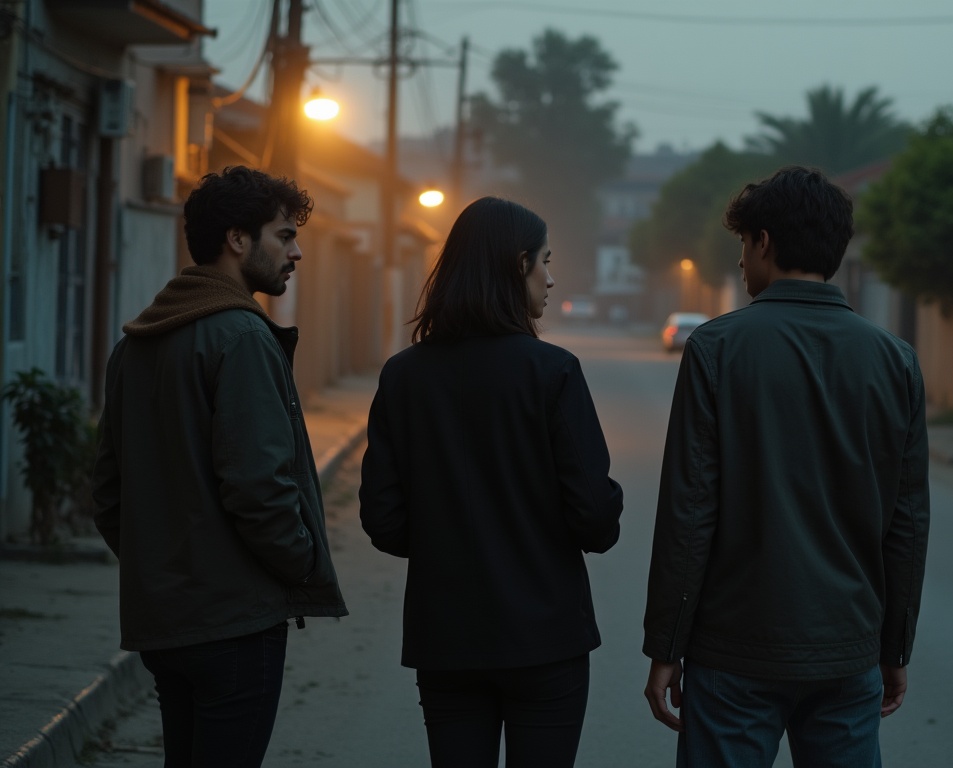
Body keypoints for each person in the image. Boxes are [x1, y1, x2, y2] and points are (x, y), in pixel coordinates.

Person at [641, 166, 931, 767]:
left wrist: (666, 645)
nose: (741, 264)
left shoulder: (716, 349)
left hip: (732, 654)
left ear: (764, 242)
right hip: (847, 653)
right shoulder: (895, 362)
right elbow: (906, 523)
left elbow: (690, 513)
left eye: (743, 246)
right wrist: (894, 647)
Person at [92, 166, 347, 768]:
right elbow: (259, 487)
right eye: (283, 236)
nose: (297, 252)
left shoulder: (136, 344)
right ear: (238, 240)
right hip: (234, 622)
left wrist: (163, 566)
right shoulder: (241, 338)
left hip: (166, 619)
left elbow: (107, 494)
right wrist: (303, 559)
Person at [359, 196, 623, 768]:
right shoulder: (553, 372)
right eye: (545, 262)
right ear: (517, 264)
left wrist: (442, 540)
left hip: (446, 636)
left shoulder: (404, 376)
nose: (551, 280)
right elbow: (596, 520)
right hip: (546, 636)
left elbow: (382, 518)